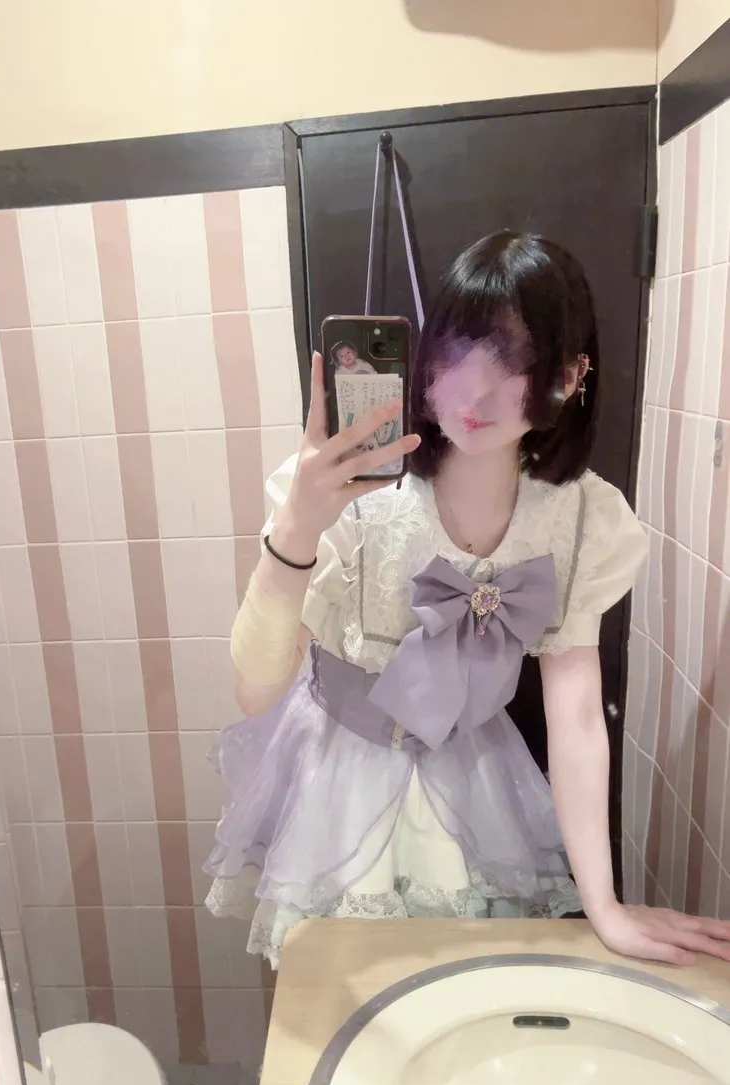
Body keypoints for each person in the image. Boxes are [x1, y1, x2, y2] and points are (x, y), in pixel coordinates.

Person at [204, 231, 730, 970]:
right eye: (457, 352)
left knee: (471, 989)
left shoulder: (583, 518)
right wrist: (295, 531)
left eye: (515, 361)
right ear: (424, 363)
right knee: (346, 1002)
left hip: (476, 778)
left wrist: (605, 908)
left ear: (571, 376)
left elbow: (578, 716)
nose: (475, 393)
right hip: (340, 778)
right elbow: (256, 691)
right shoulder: (352, 497)